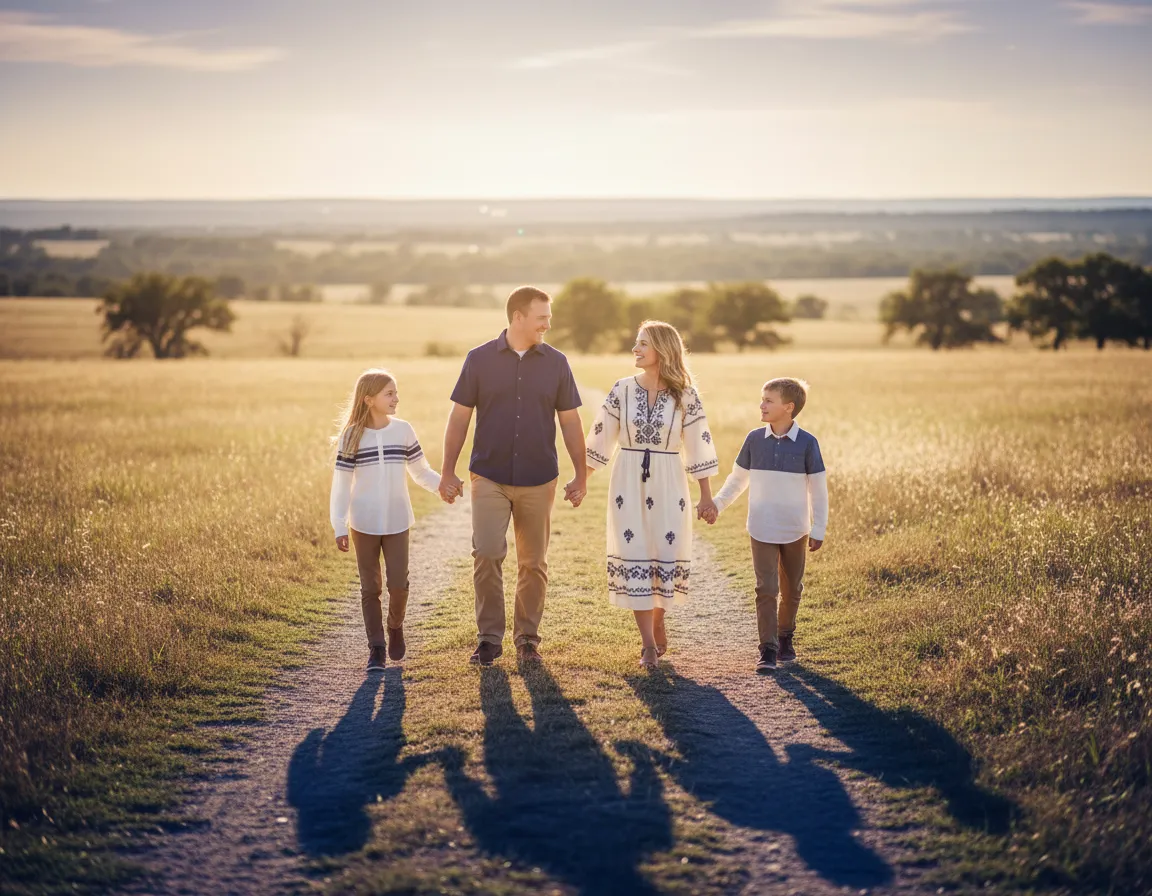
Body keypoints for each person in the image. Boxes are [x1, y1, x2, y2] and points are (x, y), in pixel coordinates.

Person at [439, 286, 586, 667]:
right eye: (542, 317)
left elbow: (570, 422)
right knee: (487, 552)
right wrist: (447, 470)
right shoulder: (479, 359)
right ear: (518, 316)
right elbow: (459, 417)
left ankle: (527, 639)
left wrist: (580, 474)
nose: (548, 324)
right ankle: (489, 638)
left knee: (533, 562)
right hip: (489, 474)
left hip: (539, 476)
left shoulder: (557, 363)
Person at [584, 321, 719, 670]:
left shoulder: (685, 395)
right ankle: (647, 645)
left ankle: (658, 617)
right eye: (636, 343)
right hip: (627, 481)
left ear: (663, 349)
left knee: (664, 553)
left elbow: (698, 444)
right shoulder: (622, 390)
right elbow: (600, 437)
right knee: (635, 552)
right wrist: (580, 480)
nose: (635, 349)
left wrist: (705, 495)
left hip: (669, 481)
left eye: (643, 344)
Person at [711, 377, 828, 673]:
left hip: (795, 529)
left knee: (792, 589)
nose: (761, 405)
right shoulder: (753, 440)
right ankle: (768, 648)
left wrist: (818, 528)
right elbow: (737, 480)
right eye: (762, 399)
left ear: (788, 408)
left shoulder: (807, 443)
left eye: (768, 400)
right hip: (761, 527)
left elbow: (818, 489)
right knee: (766, 588)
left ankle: (786, 636)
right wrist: (718, 504)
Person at [330, 368, 441, 671]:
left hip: (397, 521)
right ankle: (376, 649)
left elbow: (420, 471)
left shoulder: (403, 430)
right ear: (369, 400)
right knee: (370, 588)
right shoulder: (351, 436)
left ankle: (395, 626)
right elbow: (341, 484)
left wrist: (443, 486)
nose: (396, 399)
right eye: (389, 394)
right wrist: (339, 524)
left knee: (398, 584)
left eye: (395, 393)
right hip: (362, 523)